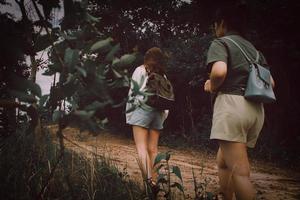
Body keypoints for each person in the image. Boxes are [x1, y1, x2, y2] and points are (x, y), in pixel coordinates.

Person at [204, 4, 275, 200]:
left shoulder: (221, 43)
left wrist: (212, 85)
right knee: (223, 162)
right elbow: (271, 83)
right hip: (255, 110)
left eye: (215, 25)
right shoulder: (255, 51)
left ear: (222, 24)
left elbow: (219, 71)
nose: (215, 30)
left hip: (232, 107)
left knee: (241, 173)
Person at [126, 47, 169, 187]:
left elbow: (133, 93)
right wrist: (163, 115)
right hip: (158, 112)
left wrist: (131, 112)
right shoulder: (163, 75)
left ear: (146, 58)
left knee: (141, 148)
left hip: (142, 110)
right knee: (153, 149)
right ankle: (156, 181)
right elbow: (166, 98)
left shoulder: (140, 70)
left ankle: (149, 182)